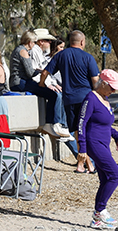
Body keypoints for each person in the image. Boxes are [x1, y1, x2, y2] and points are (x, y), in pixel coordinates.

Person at [41, 30, 100, 172]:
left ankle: (82, 164)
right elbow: (95, 81)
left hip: (69, 99)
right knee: (87, 130)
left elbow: (45, 72)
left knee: (76, 131)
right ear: (82, 42)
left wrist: (42, 85)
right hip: (86, 98)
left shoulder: (61, 55)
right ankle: (90, 163)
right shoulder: (88, 57)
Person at [77, 70, 118, 230]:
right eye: (112, 87)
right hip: (94, 143)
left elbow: (106, 123)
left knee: (105, 178)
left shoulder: (104, 99)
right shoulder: (90, 98)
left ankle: (96, 220)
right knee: (115, 175)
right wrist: (82, 148)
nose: (113, 91)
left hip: (104, 143)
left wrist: (116, 136)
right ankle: (100, 210)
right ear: (103, 83)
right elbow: (81, 124)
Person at [10, 29, 71, 139]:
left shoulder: (20, 49)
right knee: (53, 94)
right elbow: (30, 73)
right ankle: (52, 123)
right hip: (20, 82)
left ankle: (53, 124)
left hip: (21, 81)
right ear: (30, 42)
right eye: (34, 42)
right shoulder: (23, 51)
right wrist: (42, 73)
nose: (34, 45)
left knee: (53, 93)